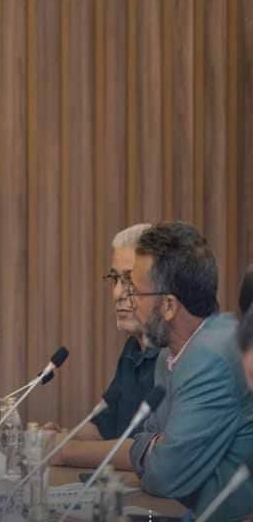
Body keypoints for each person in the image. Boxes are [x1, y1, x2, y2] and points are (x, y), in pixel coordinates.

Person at [123, 222, 253, 519]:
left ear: (169, 305)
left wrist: (159, 448)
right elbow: (144, 437)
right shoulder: (169, 353)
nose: (131, 304)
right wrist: (157, 445)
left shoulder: (212, 357)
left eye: (137, 293)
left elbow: (165, 475)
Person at [51, 224, 160, 469]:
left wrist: (64, 450)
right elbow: (104, 427)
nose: (118, 293)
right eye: (115, 279)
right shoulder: (132, 348)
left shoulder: (173, 355)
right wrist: (58, 437)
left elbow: (145, 450)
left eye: (130, 280)